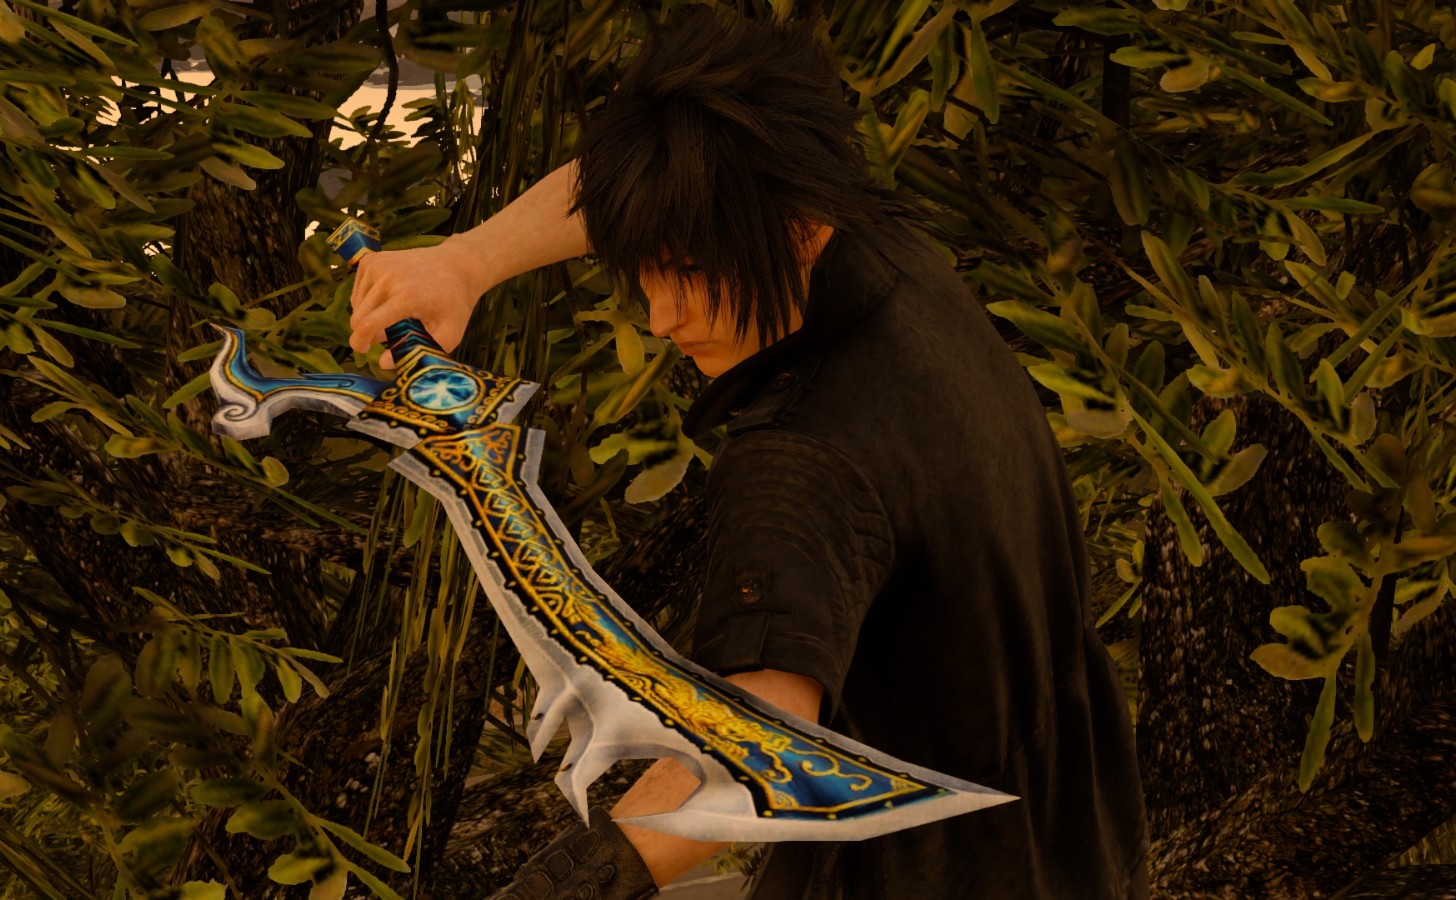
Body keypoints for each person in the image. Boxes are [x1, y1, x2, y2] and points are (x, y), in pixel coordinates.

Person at [347, 7, 1150, 899]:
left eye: (691, 272)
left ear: (799, 230)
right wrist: (463, 263)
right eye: (646, 269)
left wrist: (556, 890)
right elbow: (640, 181)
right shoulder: (869, 239)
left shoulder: (802, 465)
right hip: (1079, 829)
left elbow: (754, 756)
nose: (662, 317)